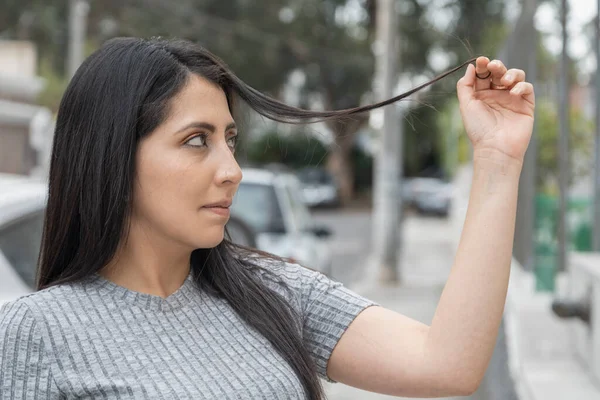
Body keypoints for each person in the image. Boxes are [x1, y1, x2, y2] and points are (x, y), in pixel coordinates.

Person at [0, 37, 534, 399]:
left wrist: (497, 161)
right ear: (113, 154)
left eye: (229, 140)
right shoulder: (38, 332)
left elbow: (447, 365)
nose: (231, 169)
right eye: (195, 141)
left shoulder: (271, 290)